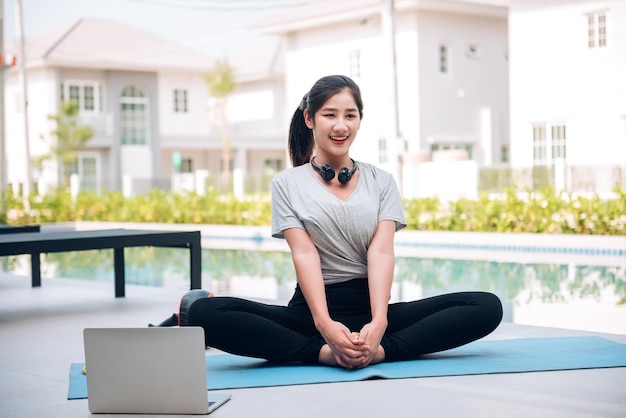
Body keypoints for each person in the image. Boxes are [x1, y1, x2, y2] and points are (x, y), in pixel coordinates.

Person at [181, 74, 503, 369]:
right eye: (330, 115)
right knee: (203, 313)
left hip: (372, 308)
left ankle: (378, 350)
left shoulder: (382, 181)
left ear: (359, 120)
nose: (341, 126)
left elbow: (381, 253)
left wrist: (378, 324)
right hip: (311, 313)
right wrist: (325, 326)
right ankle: (322, 353)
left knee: (486, 306)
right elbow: (304, 254)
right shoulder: (287, 184)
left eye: (350, 115)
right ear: (309, 118)